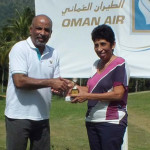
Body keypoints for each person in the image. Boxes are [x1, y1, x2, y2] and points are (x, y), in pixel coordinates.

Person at [5, 15, 71, 150]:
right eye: (39, 28)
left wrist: (64, 88)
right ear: (31, 29)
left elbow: (55, 83)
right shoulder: (20, 48)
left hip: (42, 117)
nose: (42, 33)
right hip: (18, 117)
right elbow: (19, 81)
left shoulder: (54, 53)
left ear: (51, 33)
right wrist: (51, 83)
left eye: (47, 30)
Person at [71, 24, 130, 150]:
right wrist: (71, 87)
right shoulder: (95, 64)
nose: (99, 49)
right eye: (96, 45)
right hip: (92, 121)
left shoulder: (119, 64)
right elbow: (89, 89)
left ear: (112, 45)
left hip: (112, 122)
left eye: (103, 44)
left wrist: (86, 95)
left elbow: (118, 94)